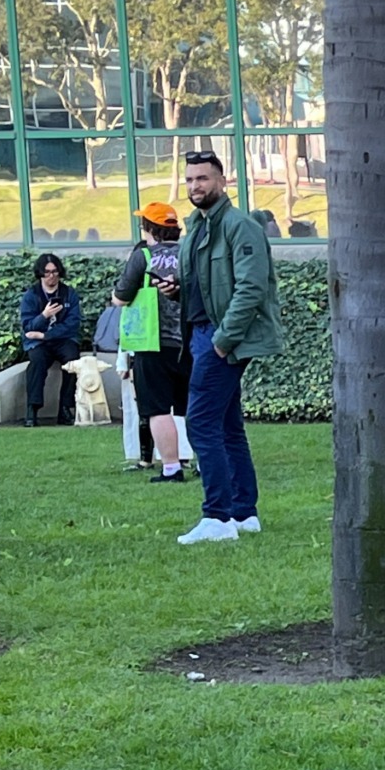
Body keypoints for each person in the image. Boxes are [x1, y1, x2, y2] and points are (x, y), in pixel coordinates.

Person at [171, 150, 284, 544]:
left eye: (203, 178)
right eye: (189, 180)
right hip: (203, 335)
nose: (195, 186)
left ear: (222, 181)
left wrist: (222, 342)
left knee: (201, 423)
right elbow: (206, 286)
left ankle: (217, 518)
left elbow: (252, 289)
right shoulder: (196, 227)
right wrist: (177, 291)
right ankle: (243, 513)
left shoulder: (240, 226)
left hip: (220, 339)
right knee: (227, 425)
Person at [112, 201, 192, 483]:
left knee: (157, 409)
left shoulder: (143, 256)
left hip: (151, 342)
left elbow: (121, 297)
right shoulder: (189, 254)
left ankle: (171, 467)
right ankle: (206, 463)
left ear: (150, 229)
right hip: (190, 341)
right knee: (193, 407)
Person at [18, 253, 81, 426]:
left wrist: (46, 335)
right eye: (47, 272)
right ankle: (32, 409)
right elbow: (28, 327)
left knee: (72, 359)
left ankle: (65, 409)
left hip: (62, 339)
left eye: (54, 272)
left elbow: (72, 324)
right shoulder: (32, 295)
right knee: (37, 361)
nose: (51, 276)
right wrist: (44, 315)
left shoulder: (69, 294)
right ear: (40, 274)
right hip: (38, 343)